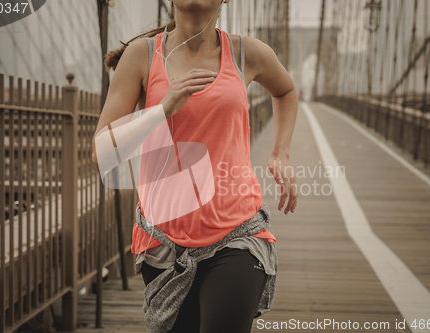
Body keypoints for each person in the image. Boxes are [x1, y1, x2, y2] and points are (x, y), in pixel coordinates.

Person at [92, 0, 298, 332]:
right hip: (164, 240)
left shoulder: (248, 53)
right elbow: (102, 151)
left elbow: (286, 90)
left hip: (238, 232)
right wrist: (161, 110)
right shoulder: (141, 56)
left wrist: (281, 153)